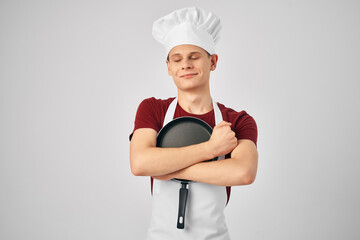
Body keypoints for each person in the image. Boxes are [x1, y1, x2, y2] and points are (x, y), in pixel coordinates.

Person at [129, 6, 258, 240]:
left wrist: (167, 169)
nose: (185, 65)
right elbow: (140, 163)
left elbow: (244, 172)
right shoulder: (152, 109)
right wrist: (211, 149)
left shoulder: (237, 120)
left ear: (213, 61)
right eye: (177, 59)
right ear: (169, 67)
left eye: (194, 57)